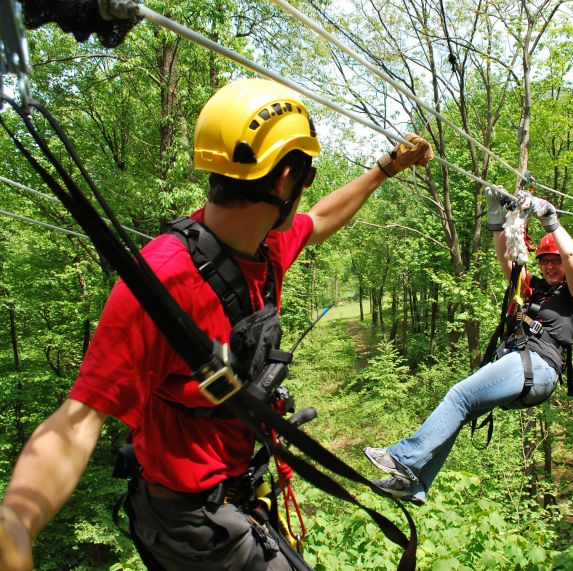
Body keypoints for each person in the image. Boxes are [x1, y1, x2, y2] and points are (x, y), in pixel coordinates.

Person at [0, 77, 433, 571]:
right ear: (285, 179)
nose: (306, 189)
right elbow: (78, 421)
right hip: (190, 521)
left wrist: (387, 168)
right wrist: (17, 522)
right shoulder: (162, 282)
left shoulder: (264, 246)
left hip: (237, 494)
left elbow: (319, 220)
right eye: (307, 176)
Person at [364, 190, 573, 505]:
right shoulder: (533, 289)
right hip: (520, 364)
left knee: (460, 395)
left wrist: (550, 222)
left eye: (556, 261)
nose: (551, 267)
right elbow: (505, 258)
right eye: (545, 261)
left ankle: (403, 457)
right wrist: (497, 219)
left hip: (538, 366)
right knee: (462, 410)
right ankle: (413, 484)